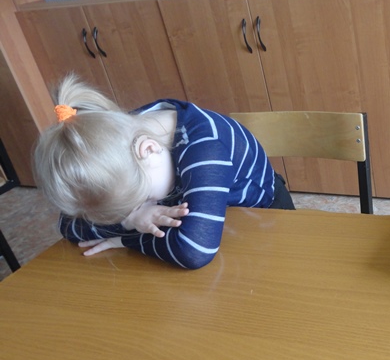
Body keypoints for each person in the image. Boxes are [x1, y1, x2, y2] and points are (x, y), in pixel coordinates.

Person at [33, 74, 295, 270]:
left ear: (149, 149)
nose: (144, 208)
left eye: (143, 200)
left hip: (261, 219)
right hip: (201, 222)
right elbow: (69, 227)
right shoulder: (121, 143)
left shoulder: (206, 147)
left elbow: (194, 250)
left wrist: (125, 239)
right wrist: (129, 221)